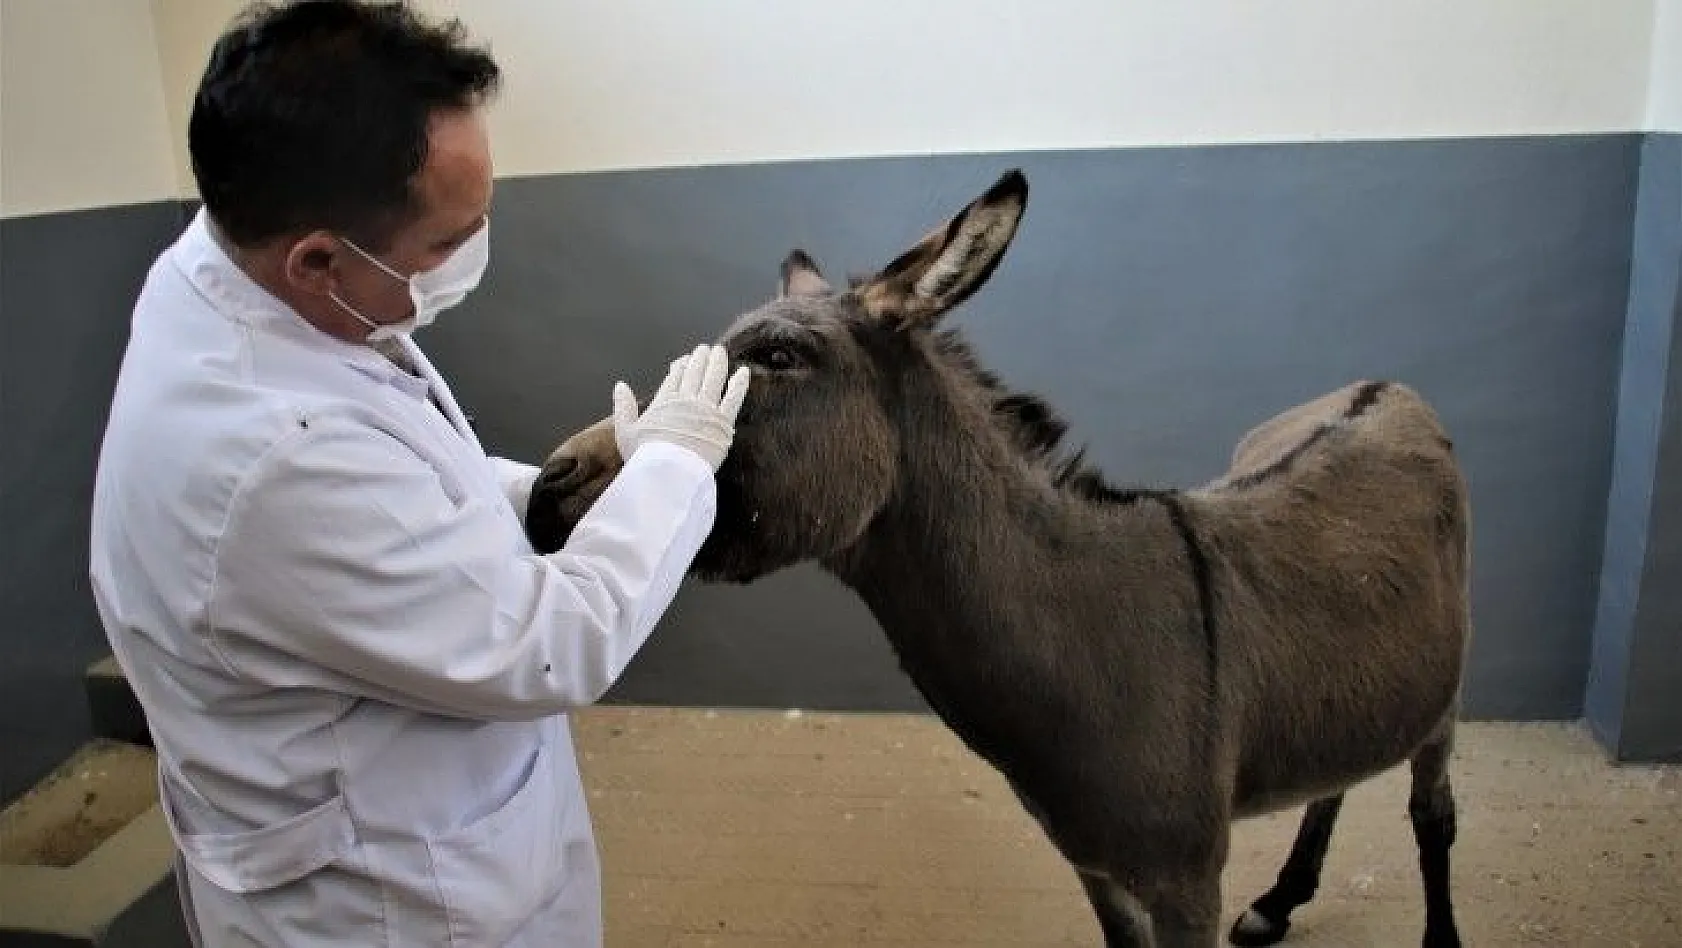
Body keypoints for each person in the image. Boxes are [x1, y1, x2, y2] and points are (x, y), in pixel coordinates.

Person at [86, 2, 748, 945]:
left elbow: (390, 475)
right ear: (317, 258)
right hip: (388, 902)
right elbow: (552, 644)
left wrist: (542, 492)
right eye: (446, 240)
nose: (471, 251)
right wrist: (679, 463)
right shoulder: (274, 457)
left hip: (406, 814)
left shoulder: (224, 269)